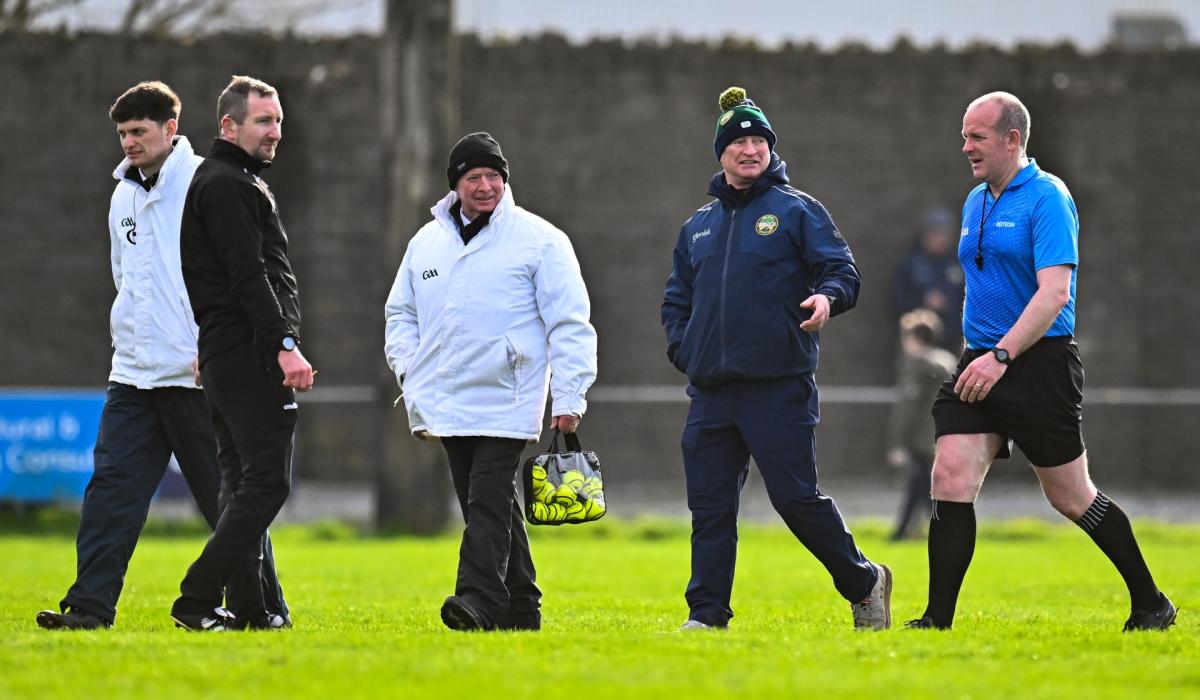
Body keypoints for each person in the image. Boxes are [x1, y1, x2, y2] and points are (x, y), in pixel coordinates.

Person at [907, 91, 1176, 631]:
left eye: (976, 137)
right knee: (950, 475)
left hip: (1036, 364)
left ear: (1013, 139)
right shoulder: (975, 200)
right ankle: (936, 622)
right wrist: (980, 355)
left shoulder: (1049, 197)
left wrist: (1003, 355)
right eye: (964, 136)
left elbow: (1054, 293)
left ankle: (1152, 603)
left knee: (1071, 496)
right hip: (978, 362)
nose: (966, 147)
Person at [36, 81, 288, 631]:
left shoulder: (207, 183)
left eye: (139, 132)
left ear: (171, 129)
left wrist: (220, 348)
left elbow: (238, 275)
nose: (128, 143)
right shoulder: (121, 194)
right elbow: (124, 277)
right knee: (110, 493)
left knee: (227, 507)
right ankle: (89, 608)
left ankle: (265, 609)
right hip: (132, 375)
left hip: (197, 375)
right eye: (122, 133)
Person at [661, 86, 891, 631]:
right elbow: (676, 300)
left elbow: (843, 272)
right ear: (721, 153)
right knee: (710, 510)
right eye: (737, 140)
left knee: (795, 499)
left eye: (758, 139)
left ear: (770, 149)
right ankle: (707, 616)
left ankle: (864, 581)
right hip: (712, 392)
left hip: (778, 386)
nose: (749, 148)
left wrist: (826, 298)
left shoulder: (796, 210)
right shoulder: (697, 226)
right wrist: (685, 348)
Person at [384, 132, 597, 632]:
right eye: (473, 177)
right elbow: (400, 312)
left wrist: (569, 395)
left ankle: (477, 599)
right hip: (446, 398)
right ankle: (522, 608)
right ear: (455, 184)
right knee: (488, 502)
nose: (485, 186)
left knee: (487, 496)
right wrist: (411, 369)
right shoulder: (425, 242)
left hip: (510, 395)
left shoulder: (542, 240)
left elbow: (570, 323)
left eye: (494, 177)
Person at [172, 75, 314, 632]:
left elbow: (208, 276)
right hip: (251, 355)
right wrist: (284, 346)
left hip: (227, 352)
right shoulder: (229, 183)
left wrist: (213, 345)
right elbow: (248, 276)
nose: (275, 131)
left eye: (278, 120)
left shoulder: (229, 180)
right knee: (268, 484)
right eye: (263, 121)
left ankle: (252, 610)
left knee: (240, 482)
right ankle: (196, 596)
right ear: (228, 125)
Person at [885, 309, 956, 541]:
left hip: (920, 438)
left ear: (913, 338)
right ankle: (909, 530)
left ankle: (933, 530)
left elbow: (907, 409)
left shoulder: (918, 366)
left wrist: (898, 443)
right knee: (922, 486)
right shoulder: (946, 361)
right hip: (941, 433)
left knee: (922, 486)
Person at [890, 207, 965, 351]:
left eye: (944, 233)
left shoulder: (958, 263)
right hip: (918, 342)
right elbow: (896, 300)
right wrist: (923, 301)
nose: (940, 238)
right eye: (935, 233)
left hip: (953, 339)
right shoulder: (910, 264)